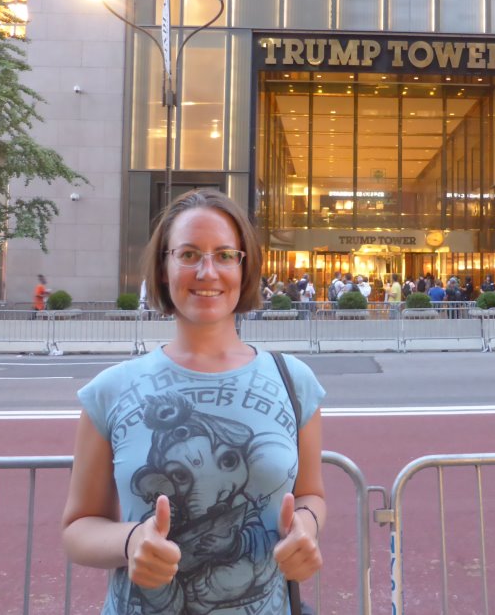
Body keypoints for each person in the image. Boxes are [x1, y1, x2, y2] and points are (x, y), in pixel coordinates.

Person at [61, 188, 325, 615]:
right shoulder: (110, 390)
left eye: (224, 255)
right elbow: (78, 528)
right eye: (188, 255)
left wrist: (307, 529)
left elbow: (312, 494)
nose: (207, 271)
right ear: (164, 268)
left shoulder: (294, 382)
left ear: (244, 267)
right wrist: (131, 542)